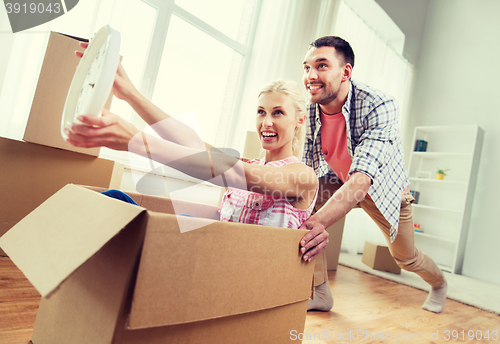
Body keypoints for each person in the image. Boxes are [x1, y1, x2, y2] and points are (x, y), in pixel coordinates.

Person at [67, 44, 325, 302]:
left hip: (243, 279)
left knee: (181, 224)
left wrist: (136, 141)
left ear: (300, 120)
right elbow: (192, 145)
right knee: (114, 199)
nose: (266, 123)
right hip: (210, 262)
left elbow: (230, 173)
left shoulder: (302, 176)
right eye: (261, 112)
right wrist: (130, 94)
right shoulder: (248, 163)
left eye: (278, 113)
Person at [299, 36, 447, 313]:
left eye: (321, 66)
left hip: (384, 190)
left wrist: (316, 221)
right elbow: (307, 168)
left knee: (405, 258)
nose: (311, 76)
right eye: (306, 67)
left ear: (346, 72)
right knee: (301, 210)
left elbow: (363, 178)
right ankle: (320, 293)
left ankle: (439, 284)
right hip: (339, 180)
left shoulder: (379, 104)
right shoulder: (310, 107)